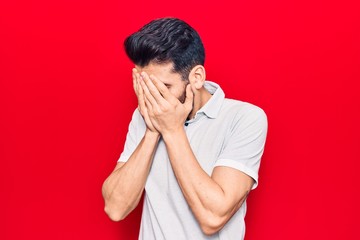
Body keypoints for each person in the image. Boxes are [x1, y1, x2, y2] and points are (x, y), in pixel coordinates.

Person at [102, 17, 268, 240]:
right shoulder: (144, 115)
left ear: (196, 77)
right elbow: (115, 207)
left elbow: (213, 218)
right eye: (146, 86)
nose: (152, 97)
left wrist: (171, 130)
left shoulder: (244, 118)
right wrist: (152, 130)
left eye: (163, 87)